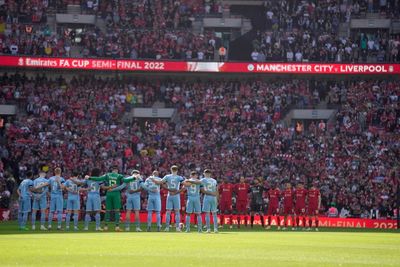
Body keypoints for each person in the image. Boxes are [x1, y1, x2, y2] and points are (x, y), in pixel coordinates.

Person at [88, 166, 124, 231]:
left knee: (107, 210)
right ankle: (117, 227)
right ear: (116, 170)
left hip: (108, 193)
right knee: (117, 210)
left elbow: (99, 179)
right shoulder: (119, 176)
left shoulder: (107, 175)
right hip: (116, 194)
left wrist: (89, 177)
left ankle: (105, 226)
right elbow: (124, 182)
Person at [151, 165, 184, 232]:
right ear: (177, 170)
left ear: (171, 170)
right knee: (177, 212)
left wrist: (153, 179)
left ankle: (167, 227)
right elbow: (185, 185)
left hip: (170, 195)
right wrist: (178, 191)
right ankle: (177, 228)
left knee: (168, 212)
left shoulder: (167, 176)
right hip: (176, 195)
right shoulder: (179, 177)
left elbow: (160, 183)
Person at [200, 169, 219, 233]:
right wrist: (217, 199)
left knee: (207, 214)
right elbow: (217, 190)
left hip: (207, 197)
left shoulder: (203, 180)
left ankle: (208, 229)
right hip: (214, 198)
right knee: (214, 214)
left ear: (204, 174)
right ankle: (216, 229)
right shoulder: (214, 180)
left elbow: (202, 190)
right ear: (210, 174)